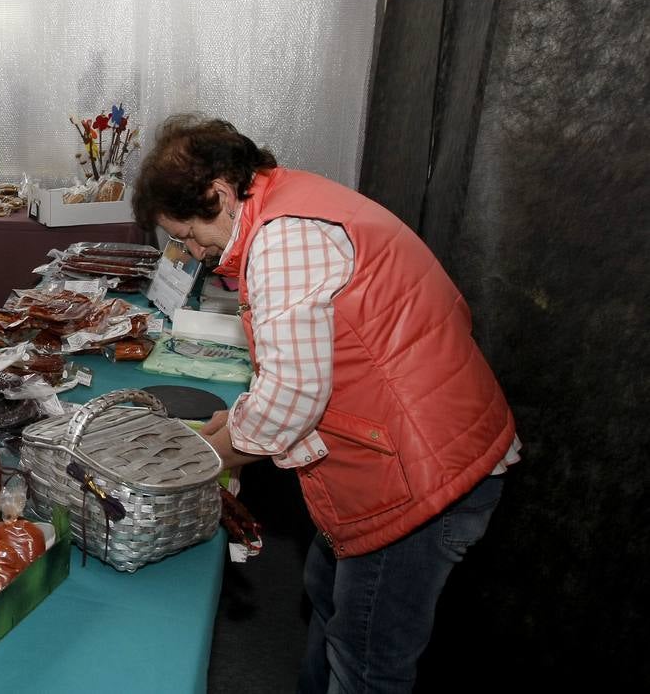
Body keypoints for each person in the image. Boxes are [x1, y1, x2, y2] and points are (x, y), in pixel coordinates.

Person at [131, 116, 520, 694]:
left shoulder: (284, 238)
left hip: (419, 477)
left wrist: (204, 455)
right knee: (329, 598)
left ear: (217, 193)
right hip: (419, 450)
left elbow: (291, 399)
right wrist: (231, 427)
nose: (192, 252)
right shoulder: (289, 200)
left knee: (365, 661)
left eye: (185, 232)